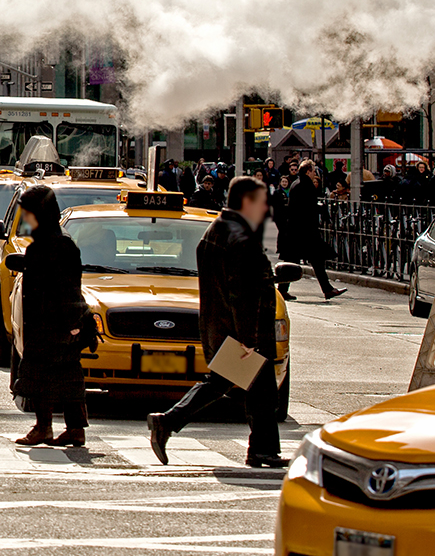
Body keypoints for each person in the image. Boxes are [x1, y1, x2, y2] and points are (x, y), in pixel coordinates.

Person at [148, 177, 288, 469]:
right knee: (258, 392)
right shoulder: (241, 239)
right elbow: (243, 294)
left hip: (221, 327)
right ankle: (169, 422)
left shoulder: (216, 231)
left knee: (234, 386)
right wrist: (249, 339)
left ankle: (260, 450)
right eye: (261, 202)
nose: (265, 209)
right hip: (245, 331)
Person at [8, 186, 91, 447]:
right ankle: (75, 429)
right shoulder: (47, 240)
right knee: (67, 375)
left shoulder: (57, 243)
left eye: (29, 212)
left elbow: (66, 286)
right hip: (50, 321)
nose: (26, 218)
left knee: (43, 375)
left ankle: (44, 427)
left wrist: (72, 324)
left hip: (52, 323)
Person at [284, 160, 345, 300]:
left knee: (297, 261)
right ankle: (327, 289)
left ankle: (327, 289)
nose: (314, 174)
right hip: (305, 230)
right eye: (313, 171)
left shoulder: (296, 183)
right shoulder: (306, 185)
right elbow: (307, 207)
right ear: (308, 171)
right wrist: (320, 208)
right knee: (311, 261)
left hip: (296, 229)